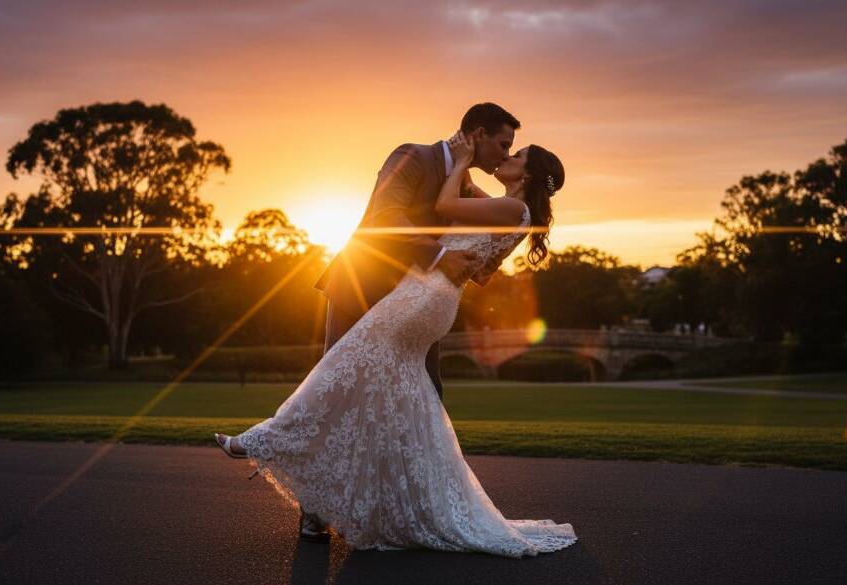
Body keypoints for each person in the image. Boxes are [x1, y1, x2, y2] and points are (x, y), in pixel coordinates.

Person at [214, 122, 577, 558]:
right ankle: (403, 503)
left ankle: (262, 441)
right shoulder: (511, 210)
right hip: (429, 299)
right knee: (407, 397)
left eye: (516, 156)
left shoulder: (509, 211)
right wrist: (462, 179)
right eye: (505, 147)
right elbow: (480, 274)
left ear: (529, 175)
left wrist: (461, 161)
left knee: (342, 368)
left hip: (421, 297)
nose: (507, 157)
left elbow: (446, 204)